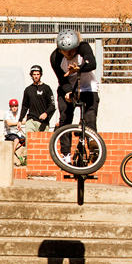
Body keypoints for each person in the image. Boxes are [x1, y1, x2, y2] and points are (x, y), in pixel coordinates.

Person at [49, 29, 99, 163]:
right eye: (66, 52)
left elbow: (92, 63)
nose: (69, 54)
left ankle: (93, 145)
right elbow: (62, 79)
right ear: (60, 50)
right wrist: (67, 93)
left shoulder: (84, 47)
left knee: (90, 117)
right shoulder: (55, 57)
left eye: (72, 51)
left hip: (88, 87)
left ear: (77, 47)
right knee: (65, 117)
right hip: (68, 88)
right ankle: (66, 154)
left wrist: (79, 68)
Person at [21, 64, 55, 133]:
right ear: (31, 75)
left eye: (38, 74)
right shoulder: (28, 89)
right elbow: (24, 106)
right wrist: (20, 120)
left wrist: (46, 113)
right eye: (34, 74)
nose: (36, 76)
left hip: (43, 122)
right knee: (30, 141)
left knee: (43, 142)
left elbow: (52, 106)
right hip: (31, 120)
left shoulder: (46, 88)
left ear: (40, 75)